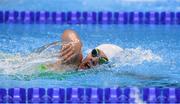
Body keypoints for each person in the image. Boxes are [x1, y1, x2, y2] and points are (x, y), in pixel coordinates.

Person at [38, 29, 123, 71]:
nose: (93, 59)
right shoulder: (74, 59)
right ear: (90, 51)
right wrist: (76, 42)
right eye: (94, 52)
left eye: (102, 60)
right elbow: (68, 32)